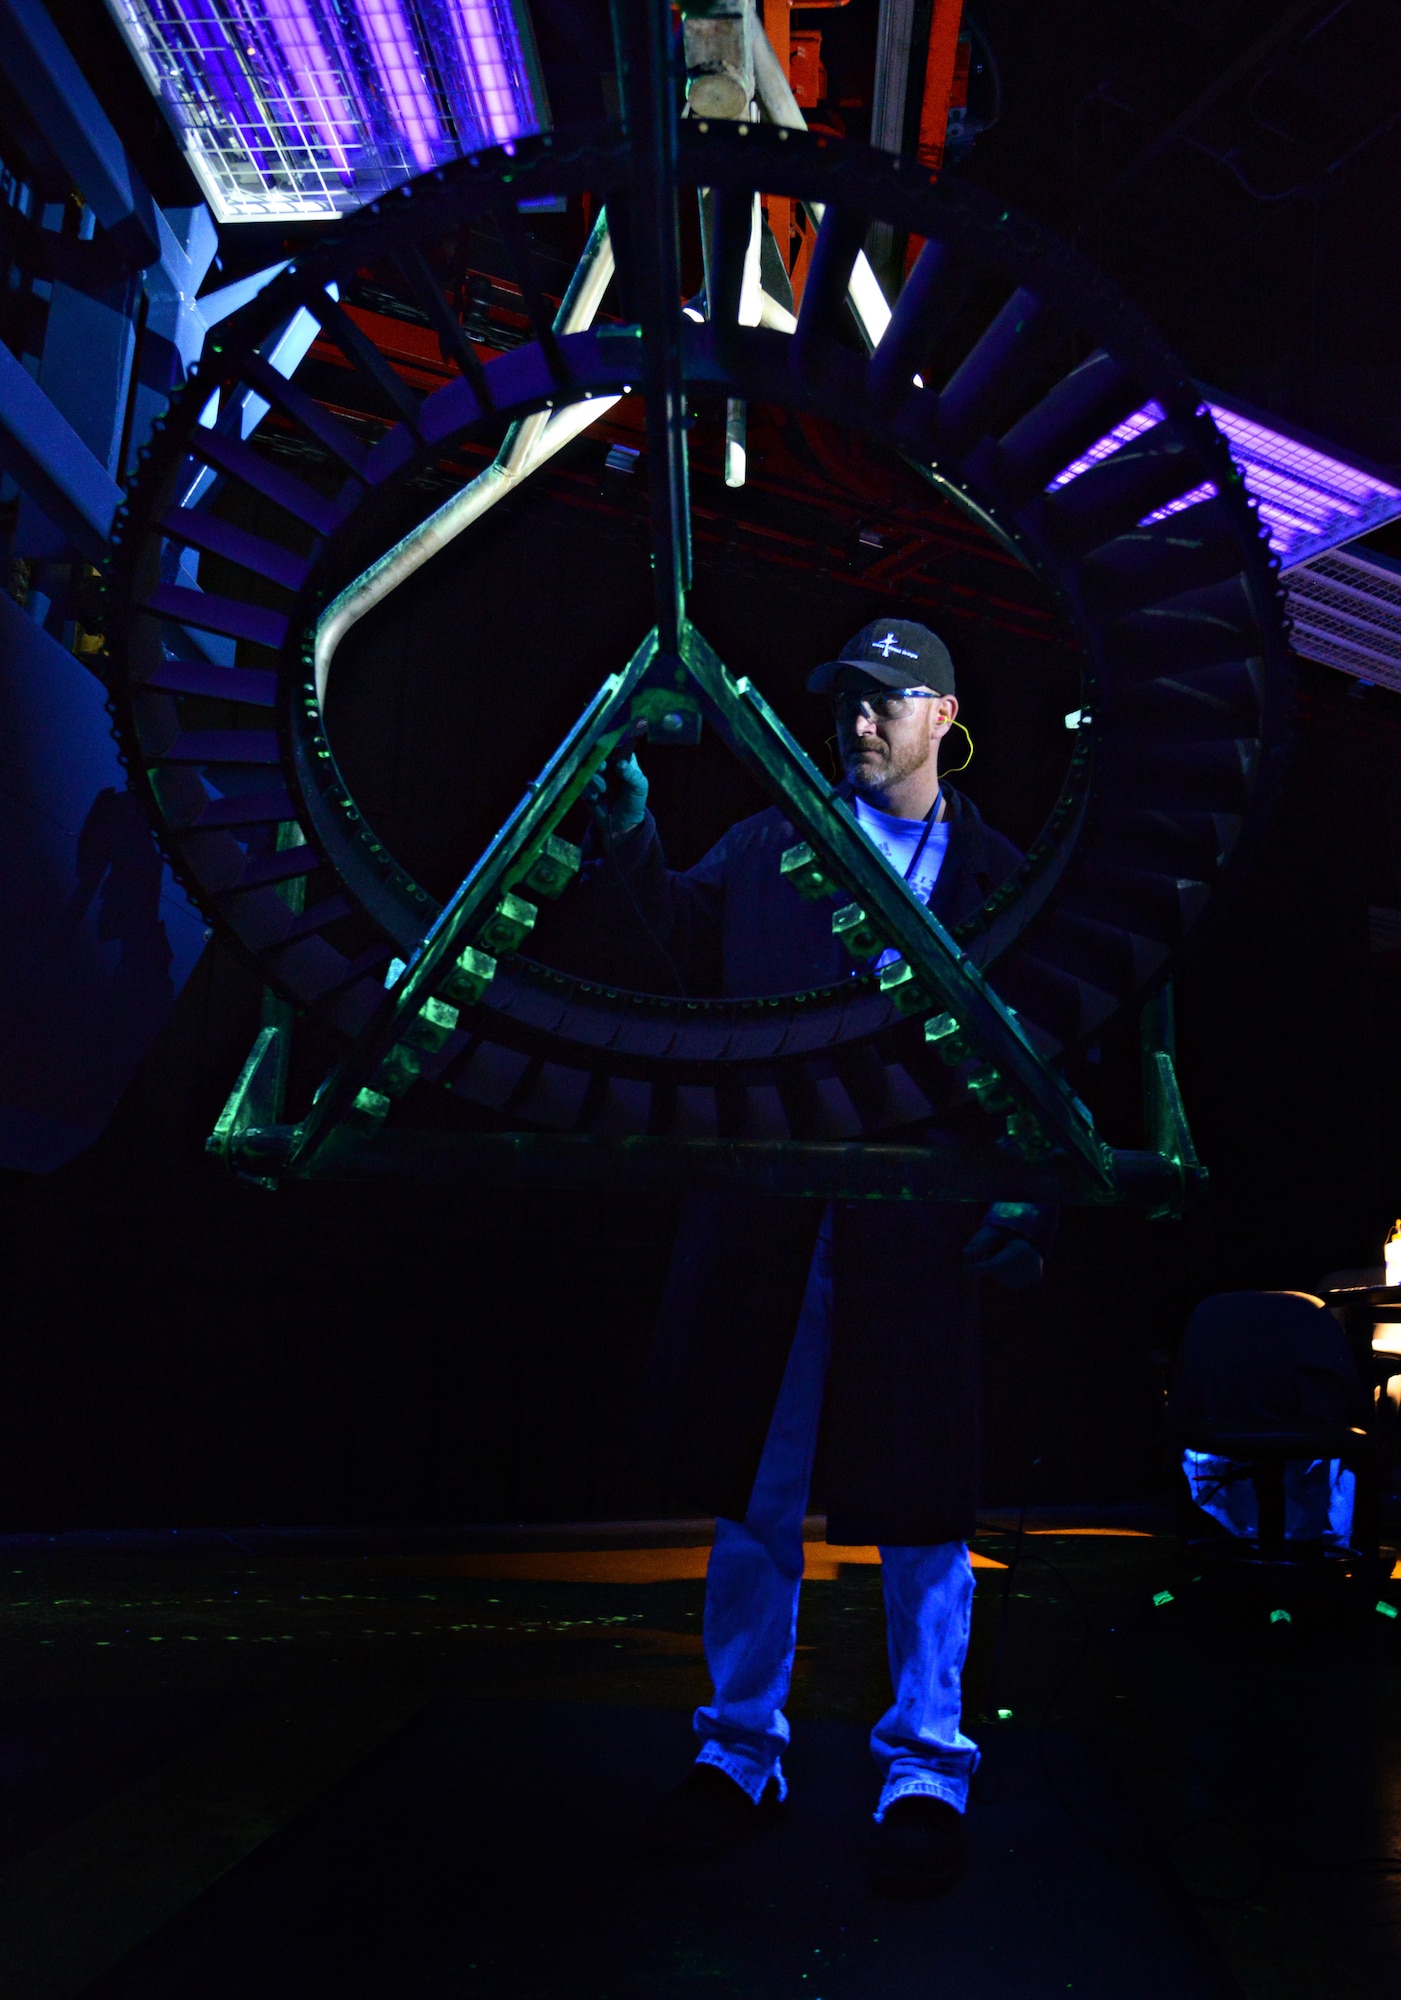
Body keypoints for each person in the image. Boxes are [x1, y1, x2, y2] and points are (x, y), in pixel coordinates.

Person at [582, 619, 1053, 1893]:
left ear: (945, 715)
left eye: (887, 699)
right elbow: (674, 955)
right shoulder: (768, 846)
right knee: (757, 1491)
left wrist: (1027, 1202)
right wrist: (627, 825)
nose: (859, 720)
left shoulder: (1002, 877)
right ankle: (740, 1749)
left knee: (925, 1508)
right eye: (846, 697)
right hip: (772, 1210)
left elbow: (1047, 1061)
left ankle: (927, 1764)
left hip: (920, 1217)